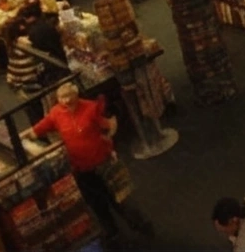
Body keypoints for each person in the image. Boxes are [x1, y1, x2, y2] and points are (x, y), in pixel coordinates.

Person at [27, 81, 152, 244]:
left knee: (120, 197)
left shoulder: (90, 108)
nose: (65, 101)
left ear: (76, 95)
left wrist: (108, 142)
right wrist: (21, 138)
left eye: (68, 97)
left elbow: (109, 125)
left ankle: (139, 224)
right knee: (96, 203)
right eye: (61, 98)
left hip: (103, 163)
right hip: (81, 169)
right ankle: (112, 232)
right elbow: (37, 129)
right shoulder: (56, 113)